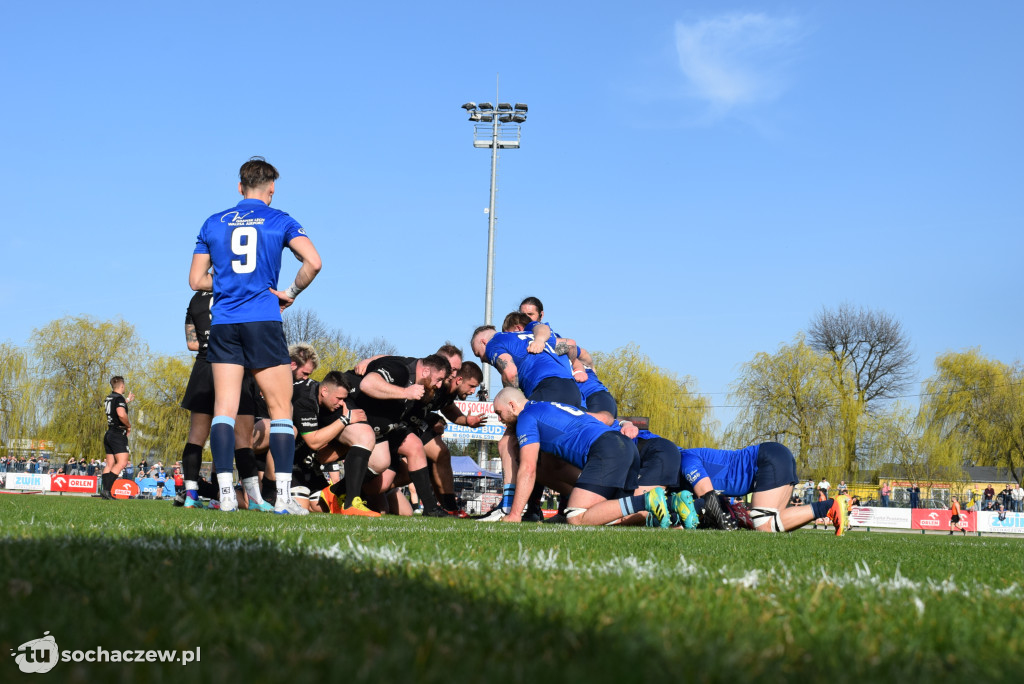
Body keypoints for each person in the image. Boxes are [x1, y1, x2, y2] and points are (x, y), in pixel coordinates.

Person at [189, 156, 322, 514]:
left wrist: (229, 281)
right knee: (281, 410)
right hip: (262, 319)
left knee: (224, 411)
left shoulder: (213, 223)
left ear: (239, 187)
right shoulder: (280, 219)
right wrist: (291, 293)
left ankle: (227, 497)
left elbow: (196, 281)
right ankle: (282, 499)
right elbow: (314, 262)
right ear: (271, 191)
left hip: (225, 322)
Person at [491, 388, 671, 527]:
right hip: (624, 446)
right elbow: (550, 467)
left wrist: (514, 515)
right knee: (612, 514)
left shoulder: (526, 416)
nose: (500, 419)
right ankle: (674, 506)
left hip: (606, 449)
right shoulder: (548, 406)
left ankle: (647, 500)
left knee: (576, 517)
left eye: (499, 413)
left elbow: (528, 467)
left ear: (513, 406)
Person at [179, 290, 268, 510]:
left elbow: (191, 343)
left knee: (197, 436)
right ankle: (255, 498)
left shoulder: (195, 299)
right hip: (236, 364)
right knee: (243, 438)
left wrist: (211, 344)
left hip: (205, 366)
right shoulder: (238, 290)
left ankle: (191, 495)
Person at [679, 443, 849, 536]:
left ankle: (829, 507)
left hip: (767, 459)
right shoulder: (687, 457)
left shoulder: (686, 458)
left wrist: (722, 525)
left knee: (763, 525)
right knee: (776, 524)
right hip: (775, 455)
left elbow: (709, 496)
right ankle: (830, 510)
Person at [100, 376, 134, 499]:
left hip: (109, 433)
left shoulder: (109, 398)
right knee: (122, 462)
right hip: (118, 433)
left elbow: (115, 408)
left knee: (109, 463)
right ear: (122, 386)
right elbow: (120, 413)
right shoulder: (119, 398)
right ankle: (107, 491)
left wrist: (127, 401)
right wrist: (128, 426)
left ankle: (105, 492)